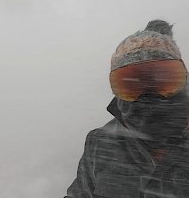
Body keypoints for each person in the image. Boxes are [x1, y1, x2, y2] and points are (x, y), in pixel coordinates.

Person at [64, 20, 189, 198]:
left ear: (184, 79)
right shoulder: (101, 143)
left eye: (163, 79)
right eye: (130, 85)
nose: (148, 96)